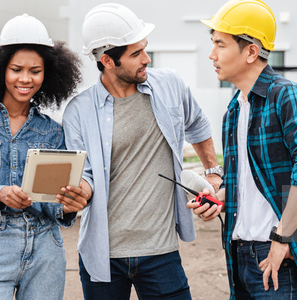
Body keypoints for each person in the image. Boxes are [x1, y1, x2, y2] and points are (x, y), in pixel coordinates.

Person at [62, 3, 222, 299]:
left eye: (144, 49)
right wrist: (76, 193)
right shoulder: (78, 111)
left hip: (161, 252)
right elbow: (84, 175)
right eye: (136, 54)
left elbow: (198, 124)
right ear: (108, 60)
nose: (146, 59)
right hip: (103, 255)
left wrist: (213, 175)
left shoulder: (170, 85)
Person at [190, 0, 297, 298]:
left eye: (220, 45)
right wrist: (218, 200)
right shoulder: (234, 109)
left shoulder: (287, 97)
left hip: (280, 256)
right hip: (240, 255)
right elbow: (248, 184)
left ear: (250, 51)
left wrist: (284, 237)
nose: (212, 54)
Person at [0, 14, 88, 299]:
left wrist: (67, 204)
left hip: (46, 247)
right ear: (0, 69)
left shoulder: (52, 130)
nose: (26, 79)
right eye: (16, 69)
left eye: (35, 71)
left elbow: (52, 201)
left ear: (47, 74)